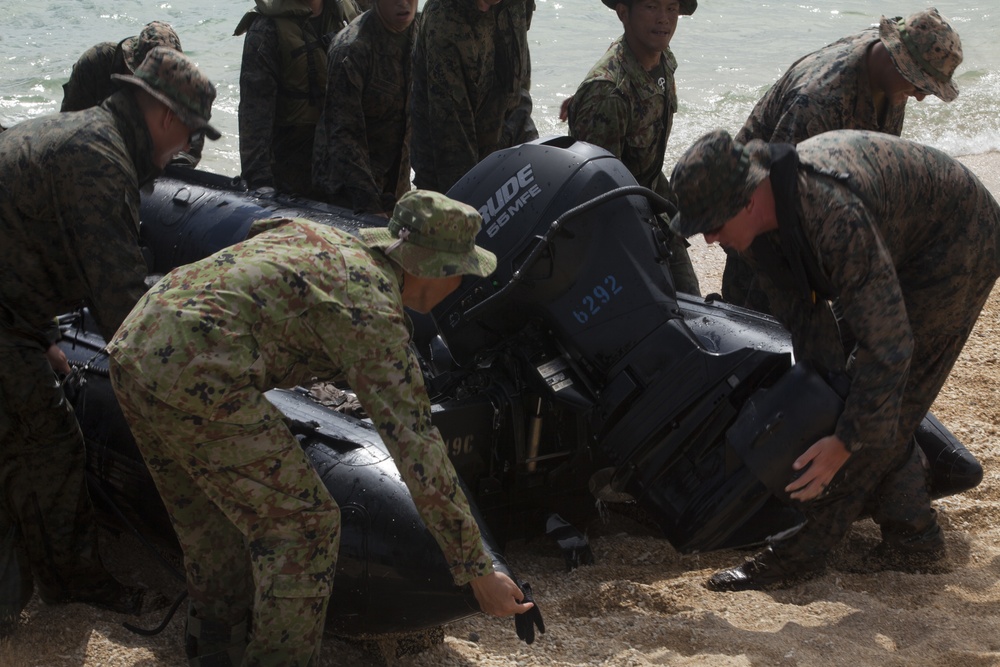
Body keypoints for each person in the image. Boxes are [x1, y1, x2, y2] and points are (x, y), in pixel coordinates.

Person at [106, 191, 543, 665]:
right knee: (304, 525)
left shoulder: (324, 238)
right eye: (460, 270)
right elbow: (418, 448)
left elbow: (259, 247)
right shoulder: (372, 311)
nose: (460, 283)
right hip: (197, 374)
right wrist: (475, 568)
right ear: (431, 266)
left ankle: (215, 647)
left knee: (209, 521)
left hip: (134, 348)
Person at [669, 128, 1000, 591]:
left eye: (712, 225)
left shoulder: (831, 217)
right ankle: (906, 534)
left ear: (746, 201)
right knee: (844, 395)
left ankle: (825, 553)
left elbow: (890, 348)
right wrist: (816, 409)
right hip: (891, 235)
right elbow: (805, 322)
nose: (707, 239)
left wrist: (842, 442)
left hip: (954, 242)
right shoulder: (761, 229)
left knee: (887, 406)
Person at [0, 46, 220, 631]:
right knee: (47, 443)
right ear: (167, 116)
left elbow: (22, 238)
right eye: (189, 136)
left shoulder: (85, 131)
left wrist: (42, 334)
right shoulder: (99, 162)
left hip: (10, 308)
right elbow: (125, 308)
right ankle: (73, 584)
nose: (186, 152)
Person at [722, 8, 963, 312]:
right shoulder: (819, 100)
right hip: (755, 218)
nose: (920, 96)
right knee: (755, 328)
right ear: (897, 58)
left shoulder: (886, 69)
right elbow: (774, 195)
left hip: (804, 204)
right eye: (919, 84)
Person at [566, 0, 700, 296]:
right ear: (623, 13)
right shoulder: (608, 92)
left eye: (671, 7)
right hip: (617, 228)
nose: (664, 19)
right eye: (652, 6)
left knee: (692, 304)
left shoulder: (661, 59)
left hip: (653, 204)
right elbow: (598, 196)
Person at [409, 0, 537, 193]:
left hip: (511, 147)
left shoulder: (516, 3)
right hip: (451, 172)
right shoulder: (444, 20)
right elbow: (451, 135)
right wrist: (471, 203)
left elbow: (517, 82)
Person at [235, 0, 360, 196]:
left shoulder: (348, 15)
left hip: (346, 168)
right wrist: (260, 182)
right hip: (293, 173)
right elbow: (254, 117)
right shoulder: (266, 30)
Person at [312, 0, 418, 215]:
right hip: (347, 193)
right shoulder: (351, 49)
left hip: (396, 185)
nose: (404, 3)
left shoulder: (423, 34)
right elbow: (343, 135)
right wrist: (369, 205)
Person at [59, 21, 203, 166]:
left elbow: (192, 146)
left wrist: (169, 162)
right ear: (130, 62)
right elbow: (67, 126)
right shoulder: (97, 65)